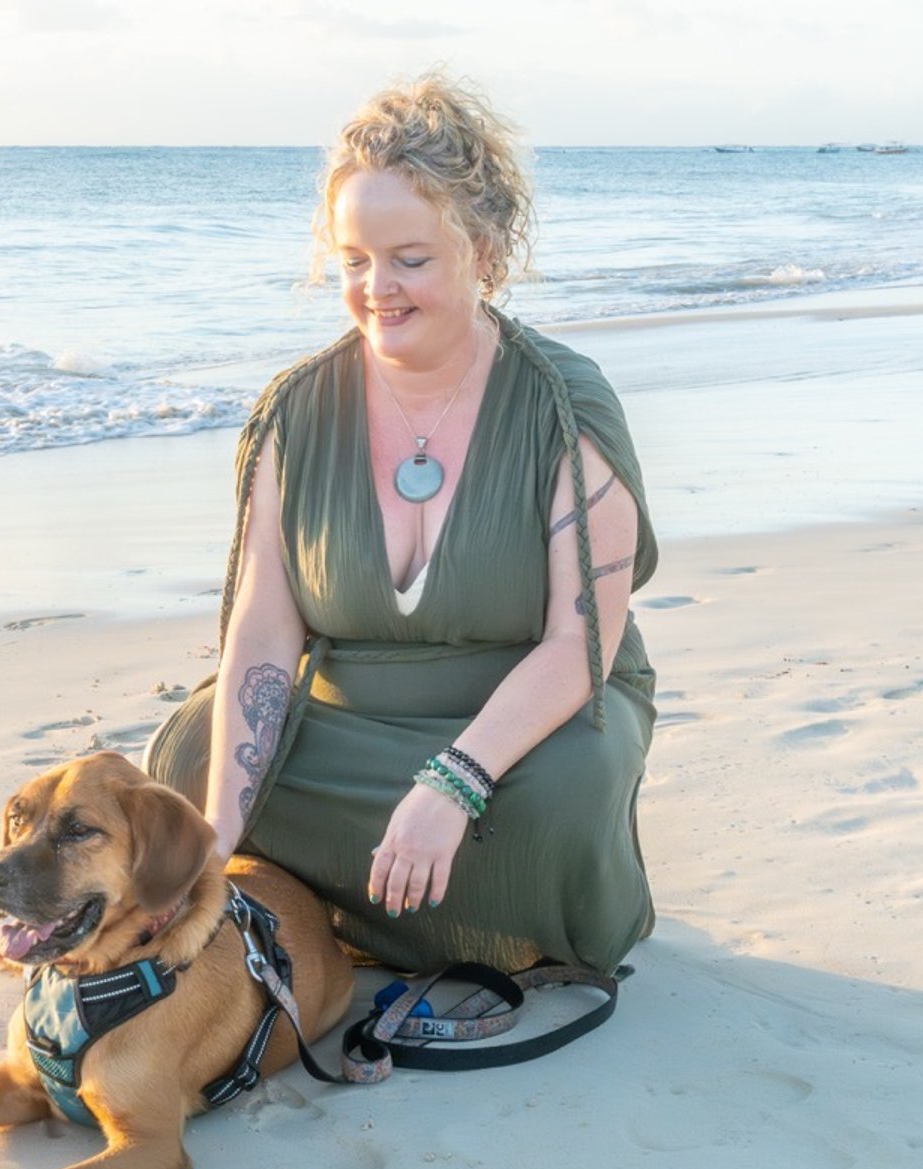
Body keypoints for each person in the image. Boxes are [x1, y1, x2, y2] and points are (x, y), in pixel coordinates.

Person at [143, 72, 658, 977]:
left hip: (528, 719)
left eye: (410, 259)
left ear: (485, 252)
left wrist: (452, 781)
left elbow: (581, 646)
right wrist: (218, 829)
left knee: (563, 801)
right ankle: (340, 903)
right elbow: (262, 631)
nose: (376, 288)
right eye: (353, 260)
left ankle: (461, 918)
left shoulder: (563, 408)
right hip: (350, 718)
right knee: (188, 759)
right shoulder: (294, 412)